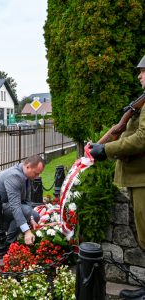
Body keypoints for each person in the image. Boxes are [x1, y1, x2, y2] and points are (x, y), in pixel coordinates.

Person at [89, 55, 145, 299]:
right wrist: (99, 145)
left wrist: (106, 150)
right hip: (137, 178)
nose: (139, 76)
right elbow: (124, 129)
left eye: (143, 71)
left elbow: (142, 138)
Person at [0, 155, 45, 248]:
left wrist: (31, 219)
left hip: (6, 207)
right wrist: (27, 231)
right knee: (25, 210)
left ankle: (20, 236)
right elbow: (15, 206)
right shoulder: (14, 175)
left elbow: (26, 199)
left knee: (35, 216)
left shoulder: (28, 176)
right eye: (36, 173)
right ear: (28, 167)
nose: (37, 176)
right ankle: (9, 244)